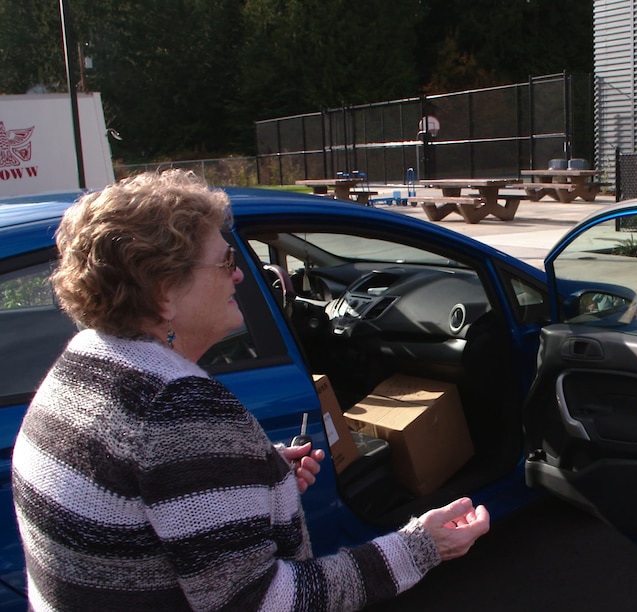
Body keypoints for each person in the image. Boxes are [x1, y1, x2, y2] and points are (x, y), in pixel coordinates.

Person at [11, 170, 490, 611]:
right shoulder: (177, 409)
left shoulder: (81, 365)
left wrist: (252, 476)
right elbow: (259, 601)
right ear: (163, 291)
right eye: (224, 263)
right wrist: (419, 547)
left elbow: (149, 502)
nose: (241, 275)